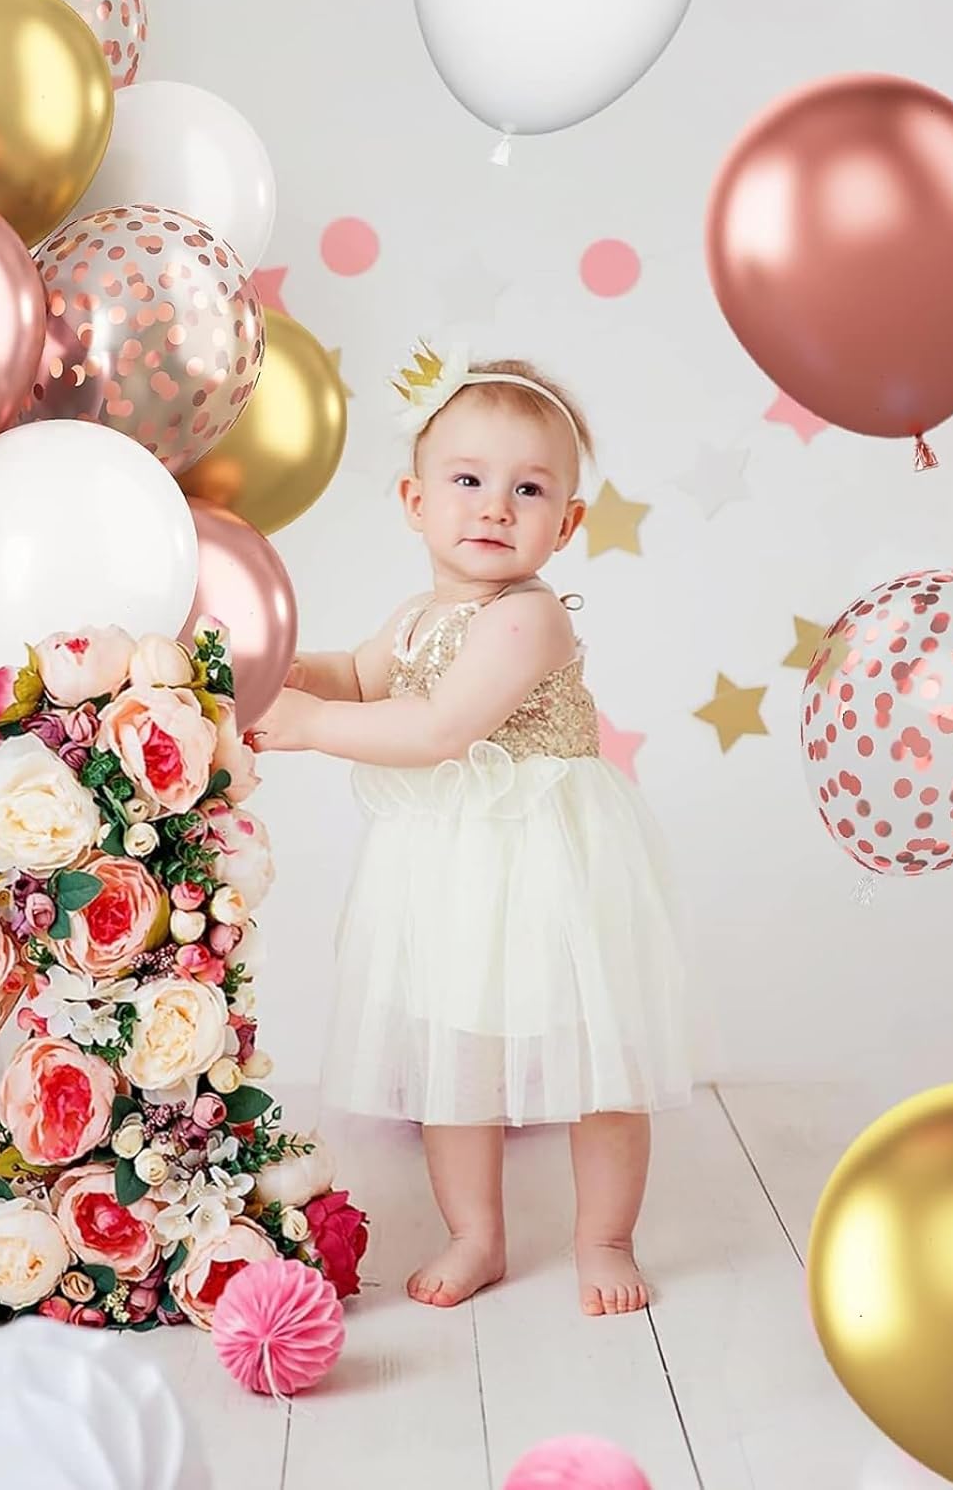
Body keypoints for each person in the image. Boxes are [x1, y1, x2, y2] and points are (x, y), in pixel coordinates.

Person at [248, 345, 690, 1316]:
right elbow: (362, 676)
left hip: (548, 861)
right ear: (415, 501)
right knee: (456, 1053)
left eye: (528, 489)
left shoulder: (530, 620)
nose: (495, 507)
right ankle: (475, 1234)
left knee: (599, 1059)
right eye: (468, 481)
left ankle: (605, 1238)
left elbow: (439, 728)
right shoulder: (416, 615)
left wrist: (312, 727)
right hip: (450, 866)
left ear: (565, 524)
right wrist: (290, 670)